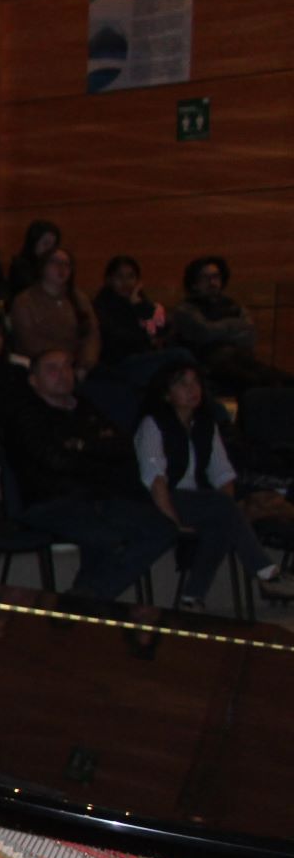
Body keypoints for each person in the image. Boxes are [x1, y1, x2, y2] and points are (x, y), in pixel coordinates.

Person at [2, 346, 178, 600]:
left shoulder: (85, 407)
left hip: (98, 498)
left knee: (163, 529)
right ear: (33, 380)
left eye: (67, 366)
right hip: (52, 501)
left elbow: (122, 447)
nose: (63, 374)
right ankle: (87, 599)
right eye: (52, 369)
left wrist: (82, 446)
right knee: (108, 538)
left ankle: (87, 597)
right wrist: (96, 449)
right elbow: (56, 461)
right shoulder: (26, 416)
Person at [135, 361, 294, 610]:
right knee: (221, 507)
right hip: (159, 499)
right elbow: (154, 479)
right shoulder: (153, 425)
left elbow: (222, 474)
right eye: (182, 383)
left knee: (221, 520)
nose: (192, 389)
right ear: (166, 393)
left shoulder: (205, 425)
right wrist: (175, 521)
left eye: (195, 382)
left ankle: (191, 598)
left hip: (197, 500)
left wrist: (226, 508)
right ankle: (266, 573)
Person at [169, 256, 291, 396]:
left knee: (283, 380)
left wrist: (220, 329)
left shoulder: (234, 306)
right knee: (258, 383)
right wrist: (233, 326)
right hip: (208, 366)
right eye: (205, 278)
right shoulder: (186, 309)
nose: (212, 282)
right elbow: (205, 332)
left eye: (216, 277)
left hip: (241, 360)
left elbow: (250, 335)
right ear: (194, 283)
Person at [93, 255, 183, 388]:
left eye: (131, 276)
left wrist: (140, 305)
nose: (126, 282)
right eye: (120, 277)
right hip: (119, 363)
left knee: (180, 359)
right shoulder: (101, 306)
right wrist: (146, 338)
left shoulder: (139, 302)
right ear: (109, 279)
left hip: (144, 357)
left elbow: (162, 328)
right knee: (179, 357)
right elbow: (116, 339)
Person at [7, 247, 100, 369]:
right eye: (54, 262)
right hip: (41, 366)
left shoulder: (79, 298)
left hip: (80, 366)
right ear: (42, 267)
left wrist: (86, 362)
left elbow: (92, 334)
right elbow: (29, 341)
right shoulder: (25, 301)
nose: (61, 268)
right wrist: (64, 361)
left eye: (66, 264)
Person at [6, 219, 61, 299]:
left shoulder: (54, 265)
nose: (50, 249)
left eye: (54, 245)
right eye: (46, 244)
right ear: (33, 243)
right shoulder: (21, 267)